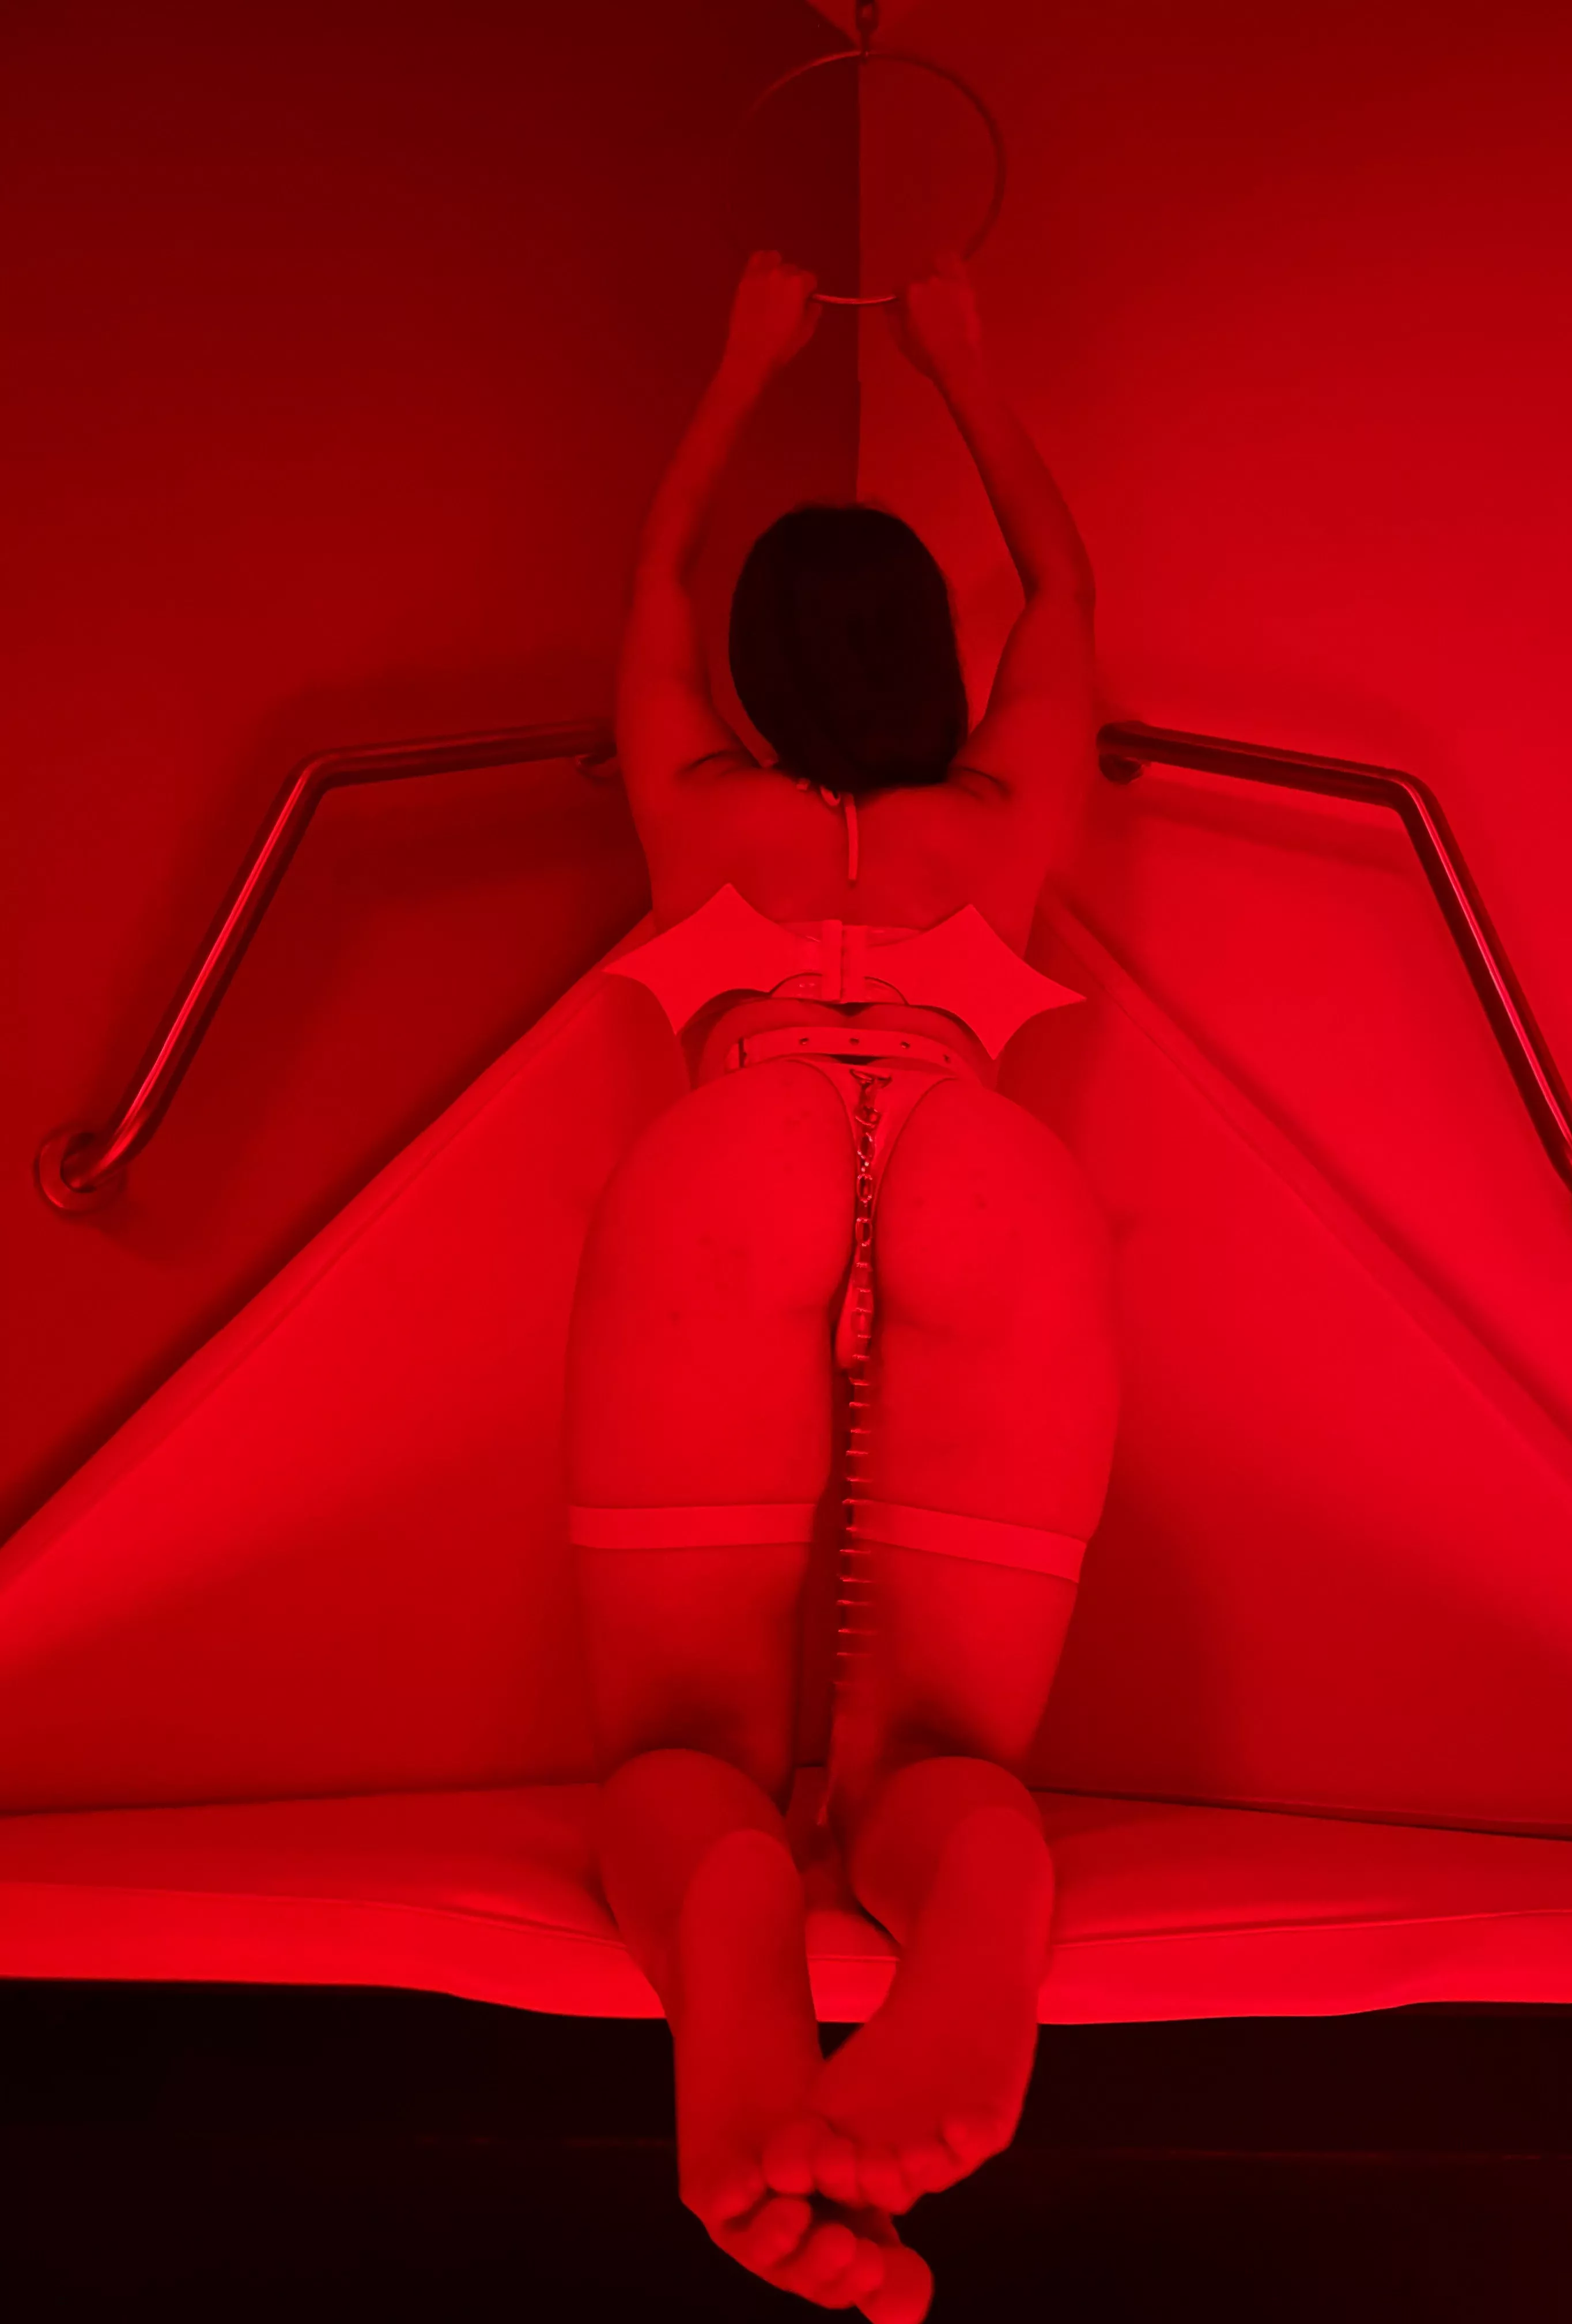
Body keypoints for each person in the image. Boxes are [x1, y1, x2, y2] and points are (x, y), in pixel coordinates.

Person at [563, 249, 1120, 2321]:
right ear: (931, 665)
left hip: (738, 1153)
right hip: (987, 1171)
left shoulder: (704, 807)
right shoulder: (1000, 819)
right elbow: (1064, 595)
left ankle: (728, 1925)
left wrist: (742, 364)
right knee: (947, 1754)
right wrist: (965, 359)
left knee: (679, 1743)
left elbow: (653, 575)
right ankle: (971, 1901)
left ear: (757, 665)